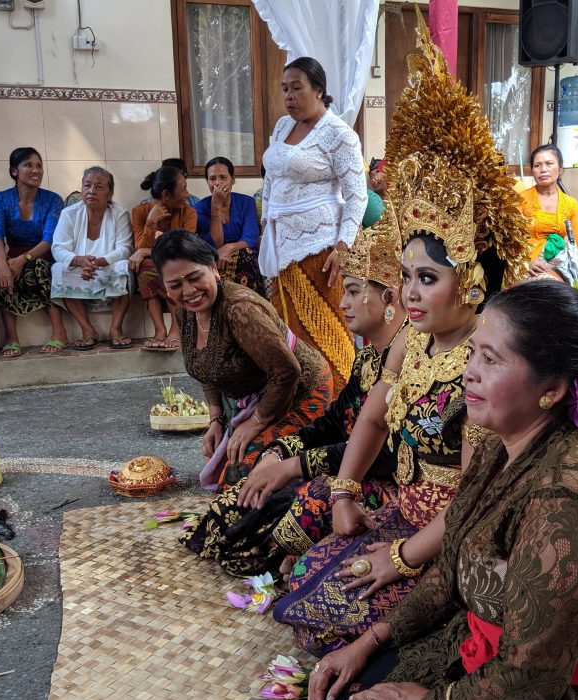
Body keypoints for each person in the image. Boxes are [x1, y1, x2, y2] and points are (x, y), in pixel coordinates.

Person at [293, 280, 578, 700]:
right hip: (491, 653)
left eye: (491, 359)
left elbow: (534, 679)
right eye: (474, 354)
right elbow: (452, 568)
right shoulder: (495, 449)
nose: (469, 373)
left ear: (552, 390)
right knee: (350, 699)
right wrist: (370, 640)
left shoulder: (564, 502)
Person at [272, 24, 531, 657]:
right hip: (405, 510)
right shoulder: (411, 344)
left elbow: (473, 496)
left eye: (428, 278)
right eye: (406, 277)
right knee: (299, 574)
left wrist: (401, 557)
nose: (409, 294)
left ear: (469, 282)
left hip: (458, 534)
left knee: (330, 613)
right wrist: (343, 491)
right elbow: (372, 418)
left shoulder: (486, 363)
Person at [180, 215, 406, 576]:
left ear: (390, 297)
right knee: (232, 507)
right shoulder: (368, 357)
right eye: (343, 291)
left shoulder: (410, 364)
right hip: (344, 468)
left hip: (377, 481)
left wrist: (295, 466)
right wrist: (279, 452)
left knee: (259, 536)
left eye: (351, 291)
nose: (342, 303)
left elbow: (386, 450)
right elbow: (334, 421)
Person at [153, 230, 334, 492]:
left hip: (302, 392)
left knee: (243, 472)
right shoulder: (186, 312)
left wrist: (256, 423)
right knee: (226, 461)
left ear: (214, 268)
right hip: (256, 392)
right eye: (176, 285)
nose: (189, 291)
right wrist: (215, 419)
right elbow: (207, 367)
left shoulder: (240, 310)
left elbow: (287, 373)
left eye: (195, 277)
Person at [261, 56, 367, 392]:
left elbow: (357, 196)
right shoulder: (282, 126)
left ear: (319, 90)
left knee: (325, 327)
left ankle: (336, 401)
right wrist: (266, 218)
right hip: (280, 241)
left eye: (297, 88)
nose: (289, 96)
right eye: (285, 89)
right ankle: (299, 397)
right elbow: (271, 176)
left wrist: (343, 245)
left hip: (320, 245)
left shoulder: (339, 134)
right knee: (287, 324)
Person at [0, 147, 67, 357]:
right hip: (13, 256)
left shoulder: (52, 200)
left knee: (38, 268)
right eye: (28, 165)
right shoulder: (0, 199)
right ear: (14, 171)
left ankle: (60, 332)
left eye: (39, 165)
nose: (36, 170)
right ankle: (11, 337)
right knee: (1, 272)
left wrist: (23, 259)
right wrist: (2, 264)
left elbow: (49, 240)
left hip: (43, 255)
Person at [51, 166, 134, 349]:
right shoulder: (69, 214)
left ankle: (116, 329)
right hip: (80, 267)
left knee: (124, 267)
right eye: (87, 185)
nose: (91, 191)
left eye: (99, 187)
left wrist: (100, 262)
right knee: (58, 269)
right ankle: (87, 330)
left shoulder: (120, 214)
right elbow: (58, 248)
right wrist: (79, 261)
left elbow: (125, 248)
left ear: (110, 193)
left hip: (107, 266)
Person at [519, 143, 578, 303]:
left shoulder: (571, 204)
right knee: (554, 288)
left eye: (549, 164)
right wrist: (526, 262)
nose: (543, 169)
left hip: (561, 262)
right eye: (537, 165)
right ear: (532, 170)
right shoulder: (520, 200)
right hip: (529, 265)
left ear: (560, 169)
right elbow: (507, 243)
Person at [131, 165, 196, 352]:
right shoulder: (140, 212)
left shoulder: (189, 213)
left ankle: (176, 329)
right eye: (183, 188)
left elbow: (182, 249)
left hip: (182, 263)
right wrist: (151, 223)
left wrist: (146, 251)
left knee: (167, 268)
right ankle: (160, 330)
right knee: (145, 267)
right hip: (155, 265)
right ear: (166, 194)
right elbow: (139, 248)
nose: (187, 193)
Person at [195, 156, 265, 297]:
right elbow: (215, 244)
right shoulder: (200, 208)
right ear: (207, 181)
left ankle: (248, 308)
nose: (218, 183)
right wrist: (216, 207)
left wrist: (229, 248)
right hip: (215, 259)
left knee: (246, 255)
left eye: (223, 178)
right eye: (212, 178)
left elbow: (250, 238)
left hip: (244, 258)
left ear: (232, 179)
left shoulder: (246, 202)